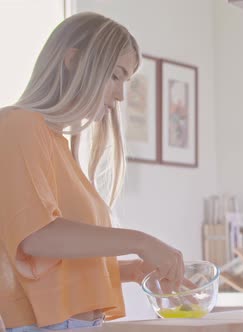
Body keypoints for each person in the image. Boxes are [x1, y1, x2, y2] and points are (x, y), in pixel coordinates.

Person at [0, 12, 186, 331]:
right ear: (72, 60)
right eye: (115, 76)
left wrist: (130, 270)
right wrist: (140, 241)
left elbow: (54, 261)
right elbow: (35, 237)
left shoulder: (53, 140)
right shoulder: (18, 126)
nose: (121, 95)